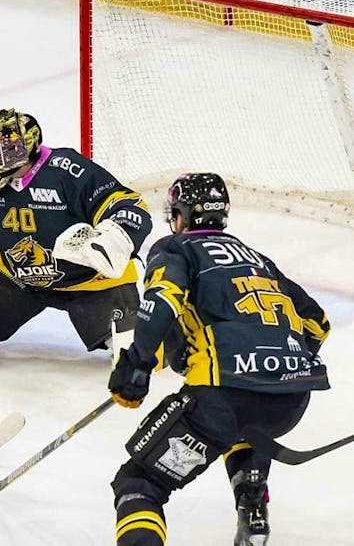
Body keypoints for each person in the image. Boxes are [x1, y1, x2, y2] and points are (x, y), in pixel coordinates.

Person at [107, 173, 331, 546]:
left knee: (139, 482)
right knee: (243, 429)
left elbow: (161, 302)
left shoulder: (175, 248)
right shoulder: (257, 259)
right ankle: (252, 503)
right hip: (291, 402)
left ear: (179, 215)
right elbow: (317, 323)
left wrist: (138, 364)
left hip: (223, 400)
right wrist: (274, 364)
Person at [0, 108, 152, 351]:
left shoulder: (66, 169)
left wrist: (116, 236)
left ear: (19, 149)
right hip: (18, 278)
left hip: (90, 282)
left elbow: (127, 203)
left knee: (132, 347)